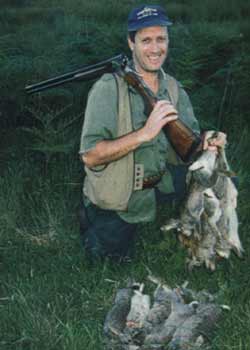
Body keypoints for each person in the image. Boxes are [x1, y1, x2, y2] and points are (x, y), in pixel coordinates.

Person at [79, 5, 225, 261]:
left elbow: (191, 147)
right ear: (131, 42)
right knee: (105, 261)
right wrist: (144, 134)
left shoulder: (173, 88)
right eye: (146, 40)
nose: (156, 49)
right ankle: (93, 216)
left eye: (161, 39)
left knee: (222, 180)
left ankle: (196, 231)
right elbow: (90, 156)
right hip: (120, 195)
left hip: (160, 182)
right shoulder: (107, 89)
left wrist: (210, 140)